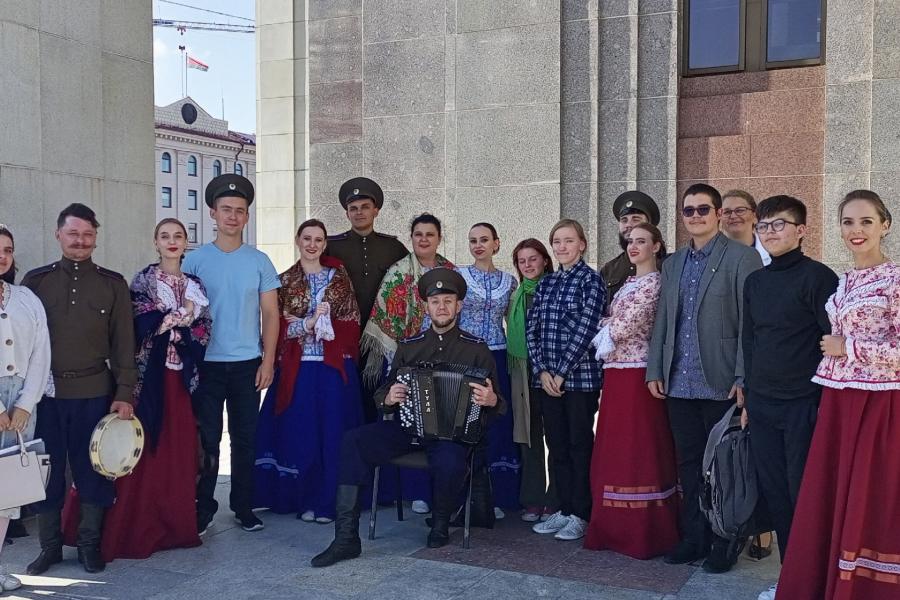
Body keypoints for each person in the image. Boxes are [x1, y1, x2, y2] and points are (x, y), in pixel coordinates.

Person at [310, 268, 502, 567]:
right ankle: (346, 538)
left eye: (448, 301)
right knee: (354, 441)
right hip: (408, 429)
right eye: (435, 301)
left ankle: (440, 524)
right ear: (426, 306)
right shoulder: (410, 346)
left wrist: (491, 400)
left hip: (451, 436)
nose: (441, 307)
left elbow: (497, 403)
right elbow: (384, 392)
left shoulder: (477, 350)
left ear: (459, 306)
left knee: (451, 460)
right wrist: (389, 397)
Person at [777, 190, 900, 600]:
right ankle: (825, 581)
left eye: (866, 221)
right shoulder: (845, 279)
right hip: (838, 399)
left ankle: (863, 587)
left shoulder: (895, 279)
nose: (856, 230)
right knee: (832, 492)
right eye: (848, 222)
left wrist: (848, 347)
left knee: (869, 494)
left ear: (885, 225)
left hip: (879, 403)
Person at [646, 183, 762, 573]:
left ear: (717, 214)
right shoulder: (673, 263)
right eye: (688, 210)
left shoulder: (743, 258)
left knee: (724, 466)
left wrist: (743, 375)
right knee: (689, 464)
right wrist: (655, 368)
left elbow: (750, 324)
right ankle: (694, 537)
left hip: (721, 379)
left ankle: (724, 540)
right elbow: (664, 320)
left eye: (702, 209)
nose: (695, 216)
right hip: (679, 382)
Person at [23, 204, 138, 575]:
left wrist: (124, 392)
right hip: (46, 396)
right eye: (73, 233)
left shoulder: (112, 284)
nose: (80, 241)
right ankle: (50, 547)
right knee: (47, 472)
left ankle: (89, 545)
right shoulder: (36, 282)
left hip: (94, 393)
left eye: (88, 235)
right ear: (58, 235)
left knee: (94, 472)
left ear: (96, 238)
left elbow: (124, 343)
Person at [96, 218, 213, 561]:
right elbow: (142, 322)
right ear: (155, 242)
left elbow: (204, 328)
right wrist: (182, 316)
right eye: (165, 236)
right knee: (145, 451)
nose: (171, 241)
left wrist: (178, 322)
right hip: (149, 380)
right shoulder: (143, 280)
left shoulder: (196, 284)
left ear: (186, 242)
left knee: (179, 452)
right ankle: (136, 528)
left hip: (182, 379)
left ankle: (175, 527)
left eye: (178, 236)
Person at [740, 196, 838, 600]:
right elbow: (750, 340)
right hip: (763, 403)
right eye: (763, 226)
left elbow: (832, 340)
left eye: (779, 224)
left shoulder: (819, 278)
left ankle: (813, 581)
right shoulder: (755, 282)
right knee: (776, 492)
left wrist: (821, 402)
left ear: (801, 230)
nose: (770, 232)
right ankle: (789, 578)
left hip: (804, 403)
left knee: (804, 495)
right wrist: (748, 397)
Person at [182, 174, 281, 535]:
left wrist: (268, 360)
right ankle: (203, 508)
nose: (233, 216)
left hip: (246, 364)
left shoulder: (259, 261)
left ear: (247, 216)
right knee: (207, 439)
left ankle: (243, 506)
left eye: (240, 210)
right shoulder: (194, 261)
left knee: (245, 439)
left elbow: (271, 313)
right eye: (226, 209)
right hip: (206, 364)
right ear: (213, 212)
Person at [254, 219, 363, 523]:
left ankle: (329, 501)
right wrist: (308, 324)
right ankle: (304, 499)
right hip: (298, 368)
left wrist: (316, 326)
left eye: (318, 239)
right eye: (307, 238)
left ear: (325, 244)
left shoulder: (339, 279)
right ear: (298, 241)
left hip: (333, 368)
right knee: (302, 434)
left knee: (333, 434)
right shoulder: (284, 281)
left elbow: (352, 322)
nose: (312, 245)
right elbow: (277, 329)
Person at [584, 223, 679, 559]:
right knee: (616, 445)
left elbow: (621, 328)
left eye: (641, 241)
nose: (634, 247)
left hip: (637, 372)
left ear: (657, 246)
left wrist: (609, 325)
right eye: (630, 242)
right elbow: (607, 324)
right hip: (616, 372)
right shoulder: (629, 282)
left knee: (636, 445)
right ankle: (613, 524)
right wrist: (608, 325)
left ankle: (641, 529)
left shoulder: (655, 283)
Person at [359, 213, 453, 514]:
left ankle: (443, 489)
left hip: (446, 361)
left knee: (441, 425)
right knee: (412, 425)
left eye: (429, 234)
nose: (423, 239)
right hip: (408, 360)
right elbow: (385, 316)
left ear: (439, 238)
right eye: (418, 234)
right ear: (411, 238)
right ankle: (415, 492)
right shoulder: (397, 272)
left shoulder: (450, 272)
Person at [527, 219, 605, 542]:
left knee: (579, 445)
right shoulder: (546, 284)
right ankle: (562, 507)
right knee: (556, 446)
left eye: (568, 240)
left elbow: (587, 330)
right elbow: (531, 329)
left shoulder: (591, 281)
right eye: (557, 241)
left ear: (582, 245)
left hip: (579, 381)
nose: (562, 247)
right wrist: (542, 371)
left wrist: (561, 371)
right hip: (547, 381)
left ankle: (581, 513)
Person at [325, 178, 408, 422]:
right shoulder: (332, 247)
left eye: (365, 207)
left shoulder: (393, 247)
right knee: (345, 400)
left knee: (378, 398)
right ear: (346, 213)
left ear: (376, 210)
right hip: (342, 338)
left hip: (380, 339)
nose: (359, 212)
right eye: (353, 208)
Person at [0, 225, 51, 593]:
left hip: (21, 403)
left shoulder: (27, 299)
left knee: (7, 493)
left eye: (7, 249)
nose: (2, 256)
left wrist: (25, 403)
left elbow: (40, 354)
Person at [458, 223, 520, 515]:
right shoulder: (458, 276)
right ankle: (462, 494)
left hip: (497, 356)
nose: (478, 245)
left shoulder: (509, 281)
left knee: (497, 422)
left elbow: (514, 321)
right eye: (473, 241)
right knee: (464, 422)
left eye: (484, 240)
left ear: (496, 243)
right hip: (466, 357)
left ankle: (498, 495)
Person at [507, 239, 558, 522]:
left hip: (550, 372)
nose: (527, 265)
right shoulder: (516, 295)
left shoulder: (554, 289)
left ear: (545, 261)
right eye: (521, 261)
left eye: (533, 259)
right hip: (522, 371)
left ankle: (555, 499)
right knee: (528, 436)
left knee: (555, 437)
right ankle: (533, 499)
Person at [600, 191, 662, 303]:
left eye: (636, 219)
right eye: (624, 220)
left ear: (649, 226)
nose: (628, 225)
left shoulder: (667, 266)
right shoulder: (609, 270)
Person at [721, 190, 771, 266]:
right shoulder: (711, 253)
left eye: (740, 210)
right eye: (727, 212)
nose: (733, 216)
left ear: (755, 216)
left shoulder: (771, 250)